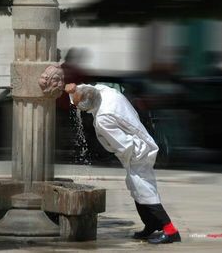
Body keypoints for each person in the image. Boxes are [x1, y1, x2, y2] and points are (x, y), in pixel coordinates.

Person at [65, 83, 181, 244]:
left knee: (144, 190)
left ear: (87, 107)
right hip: (141, 140)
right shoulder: (105, 92)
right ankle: (151, 225)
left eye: (79, 106)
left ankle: (171, 230)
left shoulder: (103, 119)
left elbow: (124, 146)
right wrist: (74, 89)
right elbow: (87, 89)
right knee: (135, 188)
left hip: (137, 152)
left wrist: (121, 157)